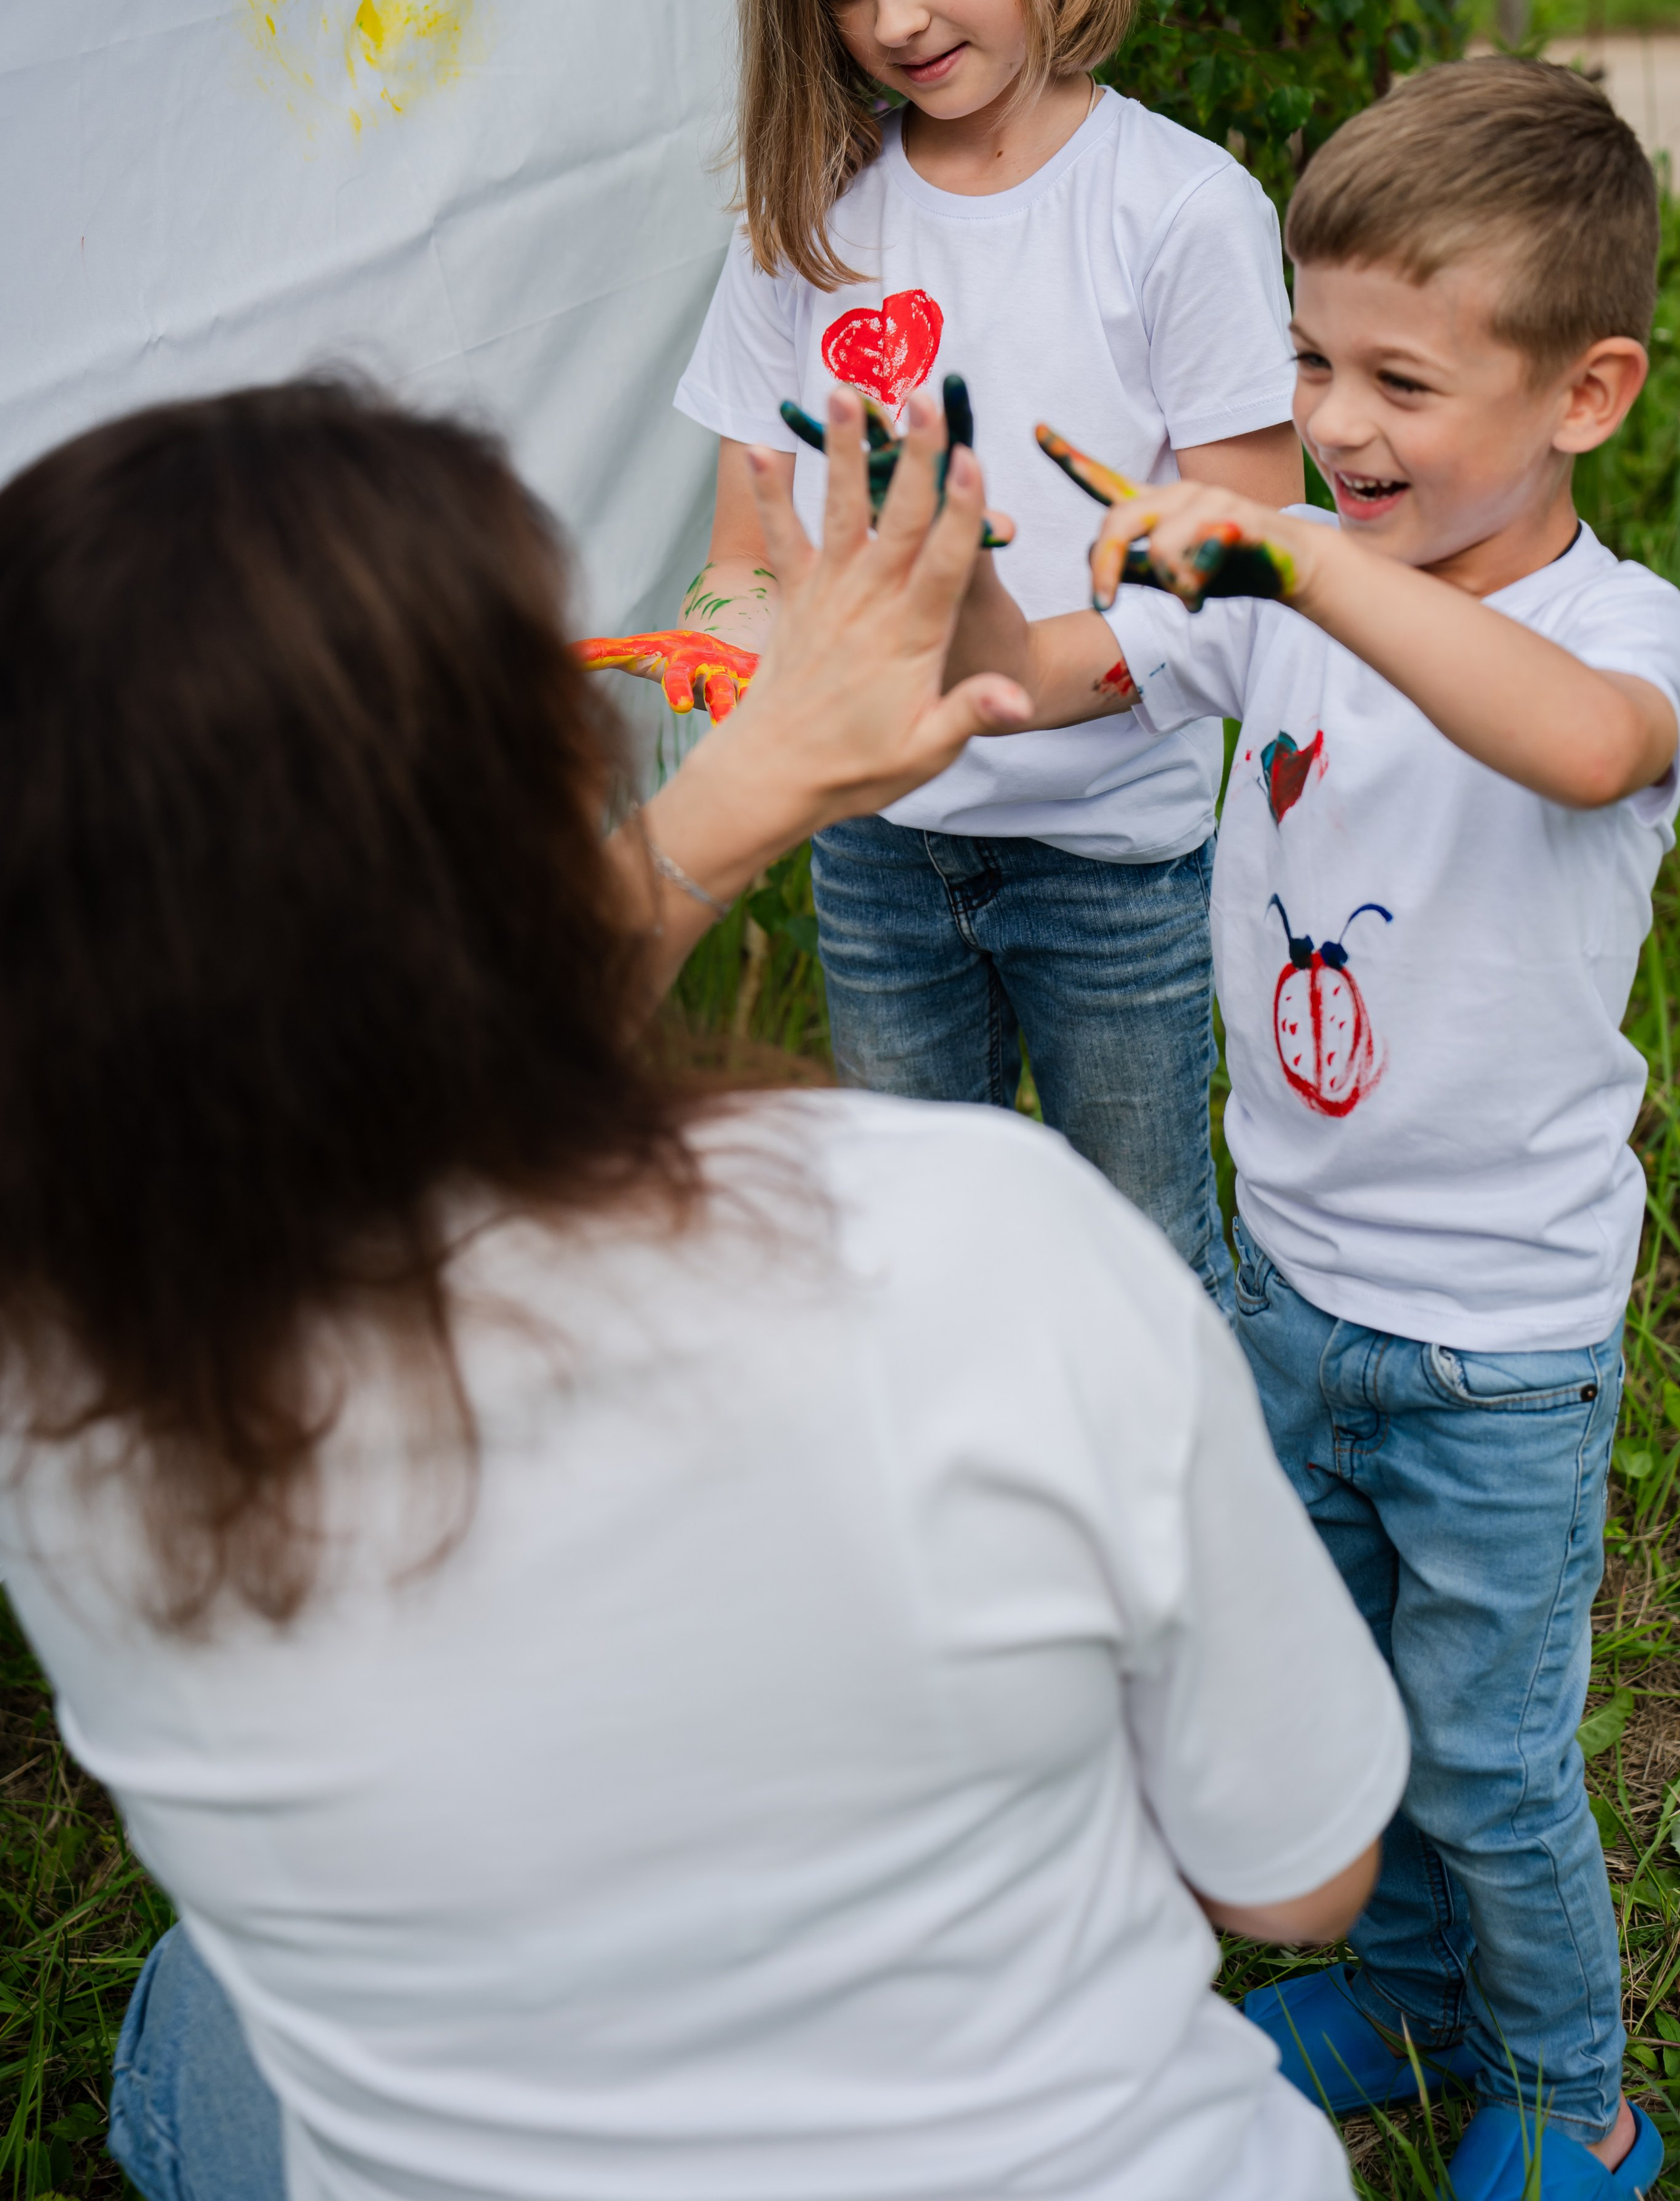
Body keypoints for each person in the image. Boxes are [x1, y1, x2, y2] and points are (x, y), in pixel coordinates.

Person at [0, 377, 1405, 2201]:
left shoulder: (64, 1370)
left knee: (210, 2005)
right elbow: (1298, 1884)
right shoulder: (968, 1242)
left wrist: (719, 817)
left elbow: (331, 1077)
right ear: (540, 801)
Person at [921, 56, 1680, 2198]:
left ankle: (1571, 2091)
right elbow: (1072, 667)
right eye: (1309, 365)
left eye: (1400, 381)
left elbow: (1581, 741)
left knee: (1491, 1746)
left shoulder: (1616, 637)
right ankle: (1420, 1989)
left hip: (1496, 1350)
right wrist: (954, 589)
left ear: (1587, 394)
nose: (1334, 426)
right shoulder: (1304, 582)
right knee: (1349, 1694)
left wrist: (1285, 563)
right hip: (1297, 1290)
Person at [635, 0, 1305, 1299]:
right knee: (909, 1275)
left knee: (1142, 1269)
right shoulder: (809, 208)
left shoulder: (1180, 212)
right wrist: (726, 652)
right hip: (877, 854)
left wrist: (1006, 674)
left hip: (1111, 863)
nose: (890, 22)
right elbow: (750, 537)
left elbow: (1242, 570)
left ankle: (1172, 1556)